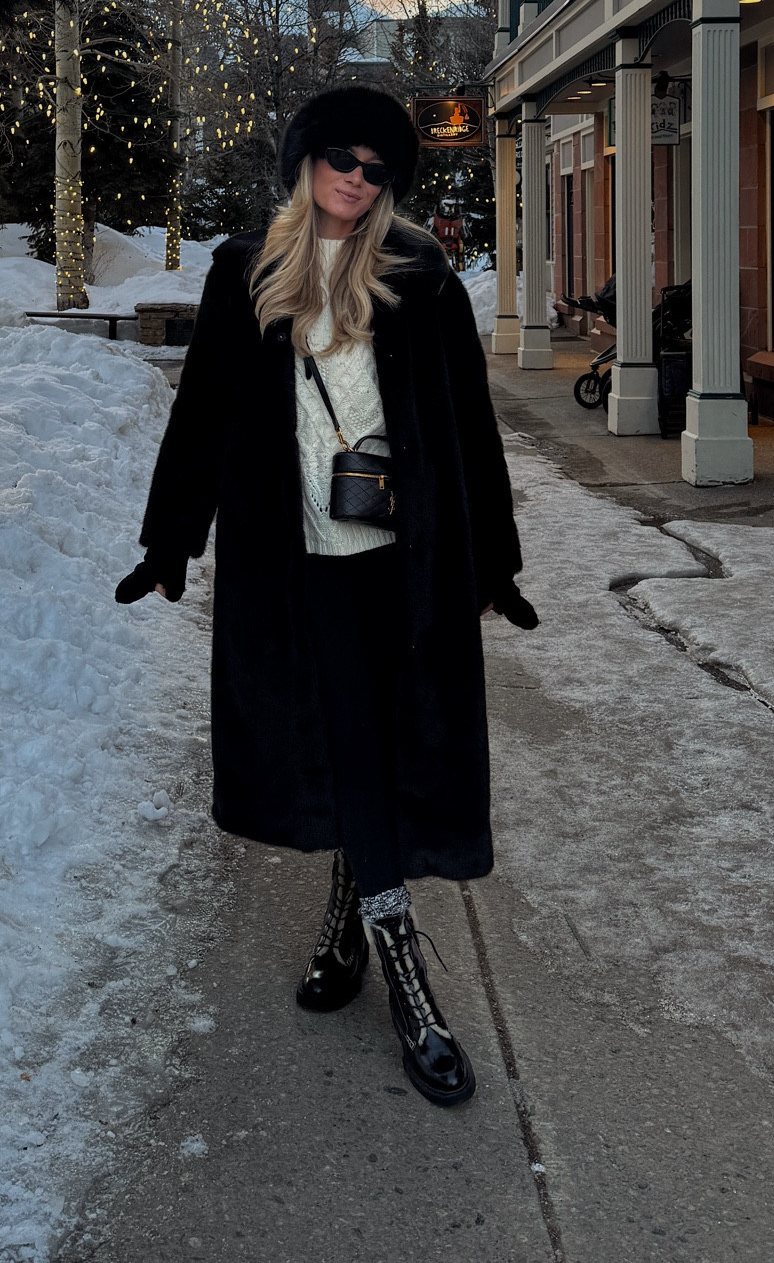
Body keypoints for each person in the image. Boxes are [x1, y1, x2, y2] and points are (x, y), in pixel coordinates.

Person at [116, 86, 536, 1107]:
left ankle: (361, 938)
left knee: (377, 748)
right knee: (351, 743)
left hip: (403, 562)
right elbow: (206, 414)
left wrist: (491, 560)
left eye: (376, 165)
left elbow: (465, 425)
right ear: (304, 160)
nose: (355, 175)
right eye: (339, 156)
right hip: (295, 561)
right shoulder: (247, 272)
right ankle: (403, 980)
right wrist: (172, 536)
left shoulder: (419, 275)